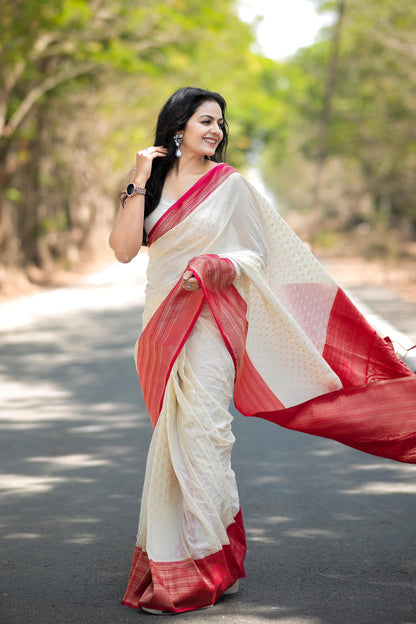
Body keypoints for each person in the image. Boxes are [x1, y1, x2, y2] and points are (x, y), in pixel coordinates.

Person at [109, 87, 416, 614]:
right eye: (207, 120)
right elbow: (121, 251)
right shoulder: (149, 186)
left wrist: (215, 266)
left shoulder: (229, 186)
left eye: (221, 124)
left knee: (205, 433)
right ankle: (189, 557)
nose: (216, 131)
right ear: (178, 125)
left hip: (208, 322)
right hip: (158, 330)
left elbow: (256, 250)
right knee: (172, 442)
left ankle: (204, 566)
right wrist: (137, 178)